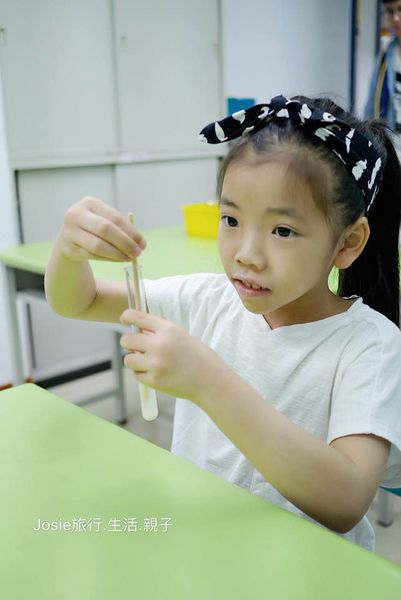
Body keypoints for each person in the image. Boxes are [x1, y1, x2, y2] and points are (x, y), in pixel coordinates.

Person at [45, 94, 401, 551]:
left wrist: (208, 381)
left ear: (348, 243)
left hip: (307, 567)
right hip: (204, 550)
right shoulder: (208, 301)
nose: (246, 255)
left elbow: (346, 500)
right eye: (230, 219)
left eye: (283, 231)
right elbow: (81, 301)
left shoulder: (369, 345)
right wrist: (68, 252)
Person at [365, 0, 401, 129]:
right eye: (390, 11)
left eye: (400, 9)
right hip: (392, 139)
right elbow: (372, 108)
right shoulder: (386, 56)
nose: (396, 18)